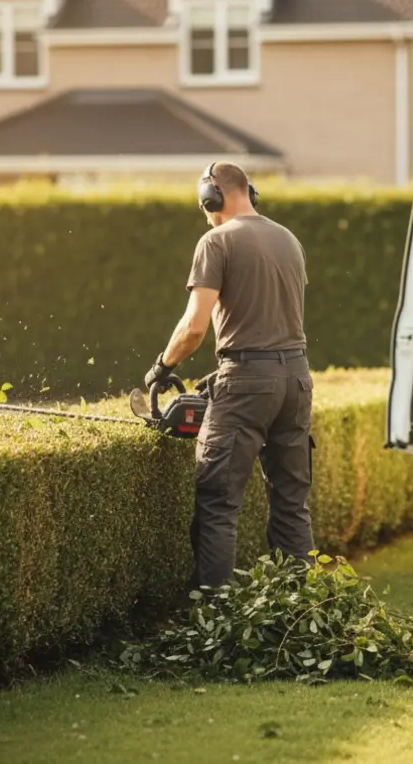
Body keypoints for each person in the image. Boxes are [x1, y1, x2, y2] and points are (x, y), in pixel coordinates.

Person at [144, 161, 316, 590]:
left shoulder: (216, 241)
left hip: (246, 383)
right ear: (249, 191)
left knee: (219, 504)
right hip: (296, 378)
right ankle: (300, 614)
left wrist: (162, 367)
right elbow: (268, 323)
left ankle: (214, 623)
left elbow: (195, 327)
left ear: (212, 196)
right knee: (292, 505)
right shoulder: (288, 240)